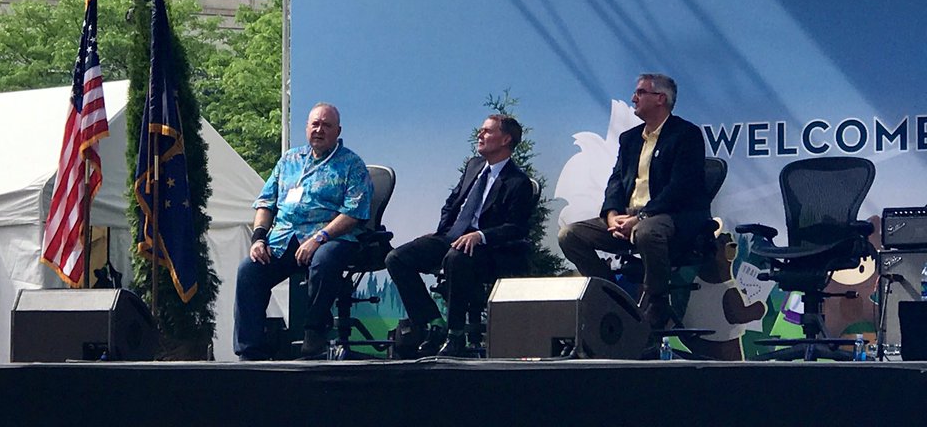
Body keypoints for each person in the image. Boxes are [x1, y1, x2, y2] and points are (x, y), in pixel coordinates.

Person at [558, 73, 709, 330]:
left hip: (671, 216)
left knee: (647, 232)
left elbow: (681, 188)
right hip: (629, 215)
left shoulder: (686, 134)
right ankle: (611, 296)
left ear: (660, 98)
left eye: (640, 92)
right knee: (570, 235)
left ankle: (656, 302)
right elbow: (616, 181)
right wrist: (611, 215)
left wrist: (640, 217)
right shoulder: (629, 139)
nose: (633, 98)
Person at [385, 114, 537, 358]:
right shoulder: (474, 166)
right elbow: (452, 202)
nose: (480, 134)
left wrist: (480, 235)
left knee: (456, 258)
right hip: (452, 237)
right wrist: (443, 231)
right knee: (397, 258)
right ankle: (433, 323)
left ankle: (455, 335)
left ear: (506, 139)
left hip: (489, 250)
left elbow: (516, 228)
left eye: (487, 131)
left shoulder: (518, 182)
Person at [234, 103, 373, 360]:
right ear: (307, 128)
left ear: (338, 131)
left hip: (331, 238)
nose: (319, 130)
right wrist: (258, 238)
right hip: (284, 239)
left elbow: (354, 212)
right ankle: (250, 351)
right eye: (315, 124)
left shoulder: (352, 164)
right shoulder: (289, 160)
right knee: (249, 270)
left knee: (323, 259)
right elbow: (265, 203)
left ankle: (314, 333)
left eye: (326, 125)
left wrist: (320, 238)